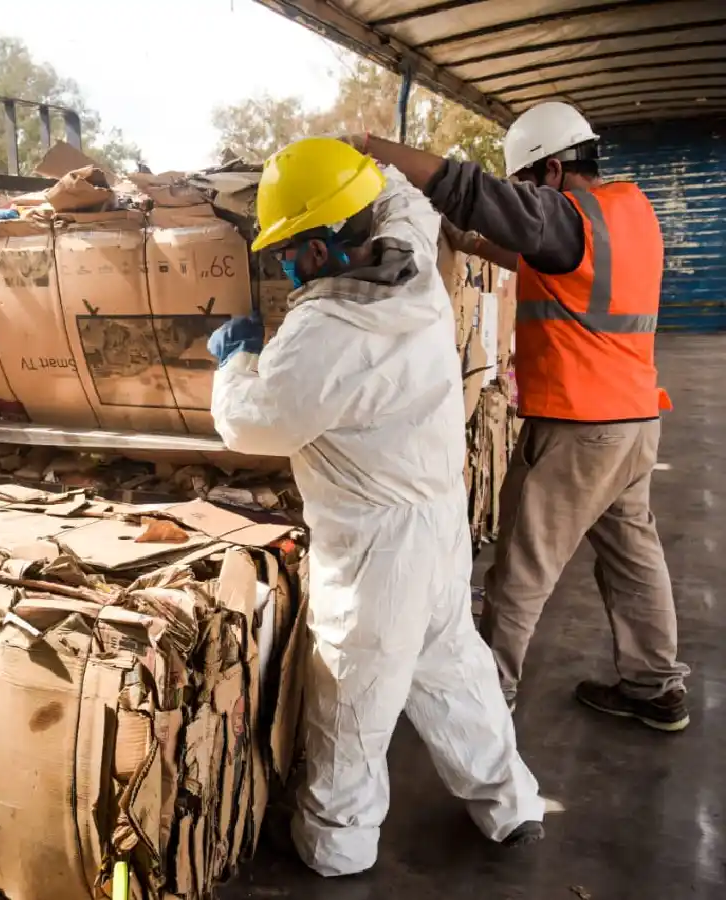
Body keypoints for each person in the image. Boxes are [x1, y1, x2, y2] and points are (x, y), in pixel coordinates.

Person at [209, 137, 545, 878]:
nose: (287, 268)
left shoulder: (323, 335)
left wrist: (234, 359)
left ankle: (337, 846)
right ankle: (512, 802)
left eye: (292, 251)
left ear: (329, 243)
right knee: (454, 665)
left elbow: (253, 424)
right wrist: (357, 157)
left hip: (373, 555)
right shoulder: (412, 261)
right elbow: (401, 195)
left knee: (351, 700)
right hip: (436, 523)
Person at [350, 102, 689, 732]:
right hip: (635, 423)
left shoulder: (569, 216)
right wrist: (473, 243)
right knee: (634, 559)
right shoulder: (630, 214)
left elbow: (469, 189)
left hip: (578, 431)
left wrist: (372, 145)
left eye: (528, 184)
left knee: (520, 573)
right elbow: (547, 261)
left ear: (554, 172)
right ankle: (655, 686)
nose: (527, 199)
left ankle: (485, 702)